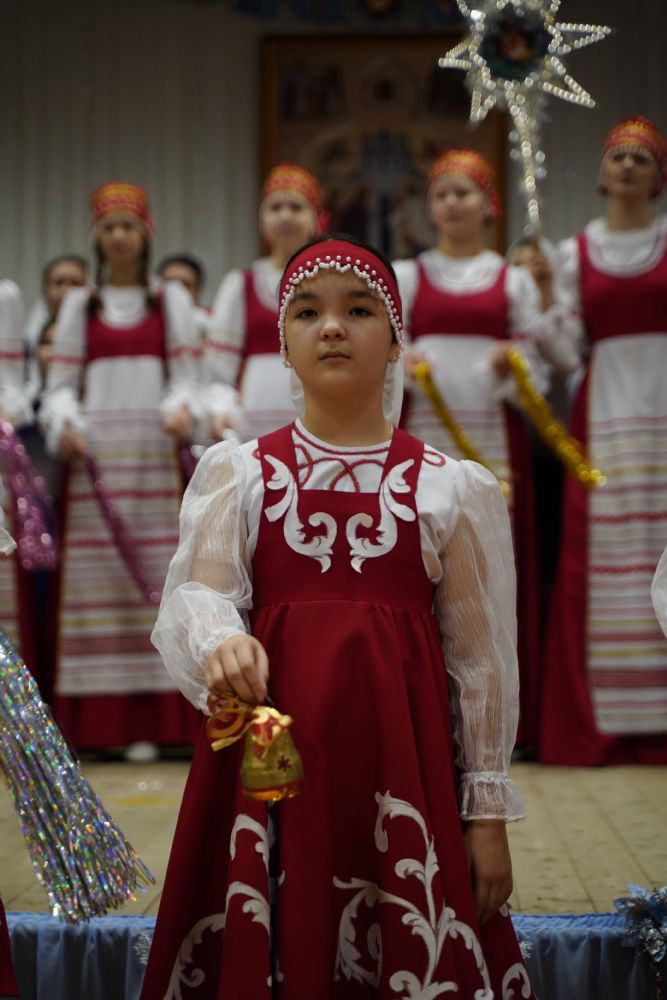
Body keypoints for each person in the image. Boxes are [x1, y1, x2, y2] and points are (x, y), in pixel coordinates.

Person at [140, 235, 534, 998]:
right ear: (281, 344)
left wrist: (484, 818)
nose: (331, 327)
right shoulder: (239, 473)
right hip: (269, 781)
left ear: (395, 341)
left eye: (358, 310)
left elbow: (480, 666)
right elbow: (199, 595)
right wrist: (219, 639)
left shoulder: (449, 488)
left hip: (402, 775)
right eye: (306, 312)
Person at [40, 181, 201, 759]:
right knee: (98, 586)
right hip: (97, 464)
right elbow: (60, 386)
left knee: (161, 577)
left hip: (154, 463)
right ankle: (100, 728)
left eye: (128, 225)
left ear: (146, 233)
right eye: (108, 227)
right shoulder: (80, 305)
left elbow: (188, 378)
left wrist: (182, 409)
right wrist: (64, 423)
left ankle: (166, 722)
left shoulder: (169, 301)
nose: (119, 236)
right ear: (97, 237)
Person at [395, 149, 546, 751]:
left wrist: (516, 363)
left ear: (489, 204)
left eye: (464, 192)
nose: (453, 203)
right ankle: (424, 713)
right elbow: (386, 348)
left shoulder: (512, 279)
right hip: (424, 432)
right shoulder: (410, 276)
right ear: (429, 208)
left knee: (489, 565)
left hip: (493, 441)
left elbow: (540, 363)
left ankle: (498, 718)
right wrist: (403, 364)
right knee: (422, 559)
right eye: (442, 193)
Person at [540, 117, 667, 765]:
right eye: (617, 156)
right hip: (606, 411)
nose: (627, 167)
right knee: (608, 551)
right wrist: (543, 296)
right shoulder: (575, 252)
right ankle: (609, 720)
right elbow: (566, 354)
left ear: (658, 176)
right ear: (600, 172)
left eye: (640, 158)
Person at [204, 164, 323, 442]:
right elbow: (219, 368)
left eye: (296, 207)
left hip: (319, 415)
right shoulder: (242, 284)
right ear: (262, 219)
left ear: (315, 218)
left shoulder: (330, 282)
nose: (285, 216)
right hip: (253, 420)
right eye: (275, 207)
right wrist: (222, 409)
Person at [157, 253, 210, 342]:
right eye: (169, 283)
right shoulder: (142, 321)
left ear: (197, 291)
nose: (176, 291)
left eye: (185, 285)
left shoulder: (212, 325)